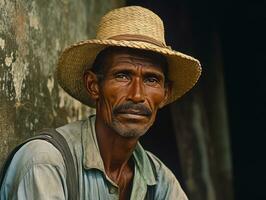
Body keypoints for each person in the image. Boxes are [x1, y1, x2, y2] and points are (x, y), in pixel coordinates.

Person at [0, 6, 201, 200]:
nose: (137, 95)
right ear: (94, 85)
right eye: (122, 76)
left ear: (165, 94)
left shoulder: (158, 180)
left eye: (151, 80)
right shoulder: (45, 162)